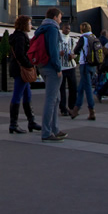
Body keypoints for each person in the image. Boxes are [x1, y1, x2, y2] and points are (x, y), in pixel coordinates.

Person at [34, 8, 66, 141]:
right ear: (54, 17)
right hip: (51, 67)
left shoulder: (42, 28)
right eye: (59, 17)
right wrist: (58, 67)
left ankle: (55, 128)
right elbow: (53, 49)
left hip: (42, 66)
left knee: (55, 98)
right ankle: (47, 132)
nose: (60, 20)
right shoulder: (52, 29)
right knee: (51, 99)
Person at [7, 15, 41, 133]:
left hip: (19, 69)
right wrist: (29, 65)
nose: (31, 26)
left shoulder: (17, 36)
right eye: (29, 23)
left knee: (27, 95)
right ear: (24, 25)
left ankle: (31, 121)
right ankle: (14, 124)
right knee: (18, 95)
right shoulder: (21, 37)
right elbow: (20, 54)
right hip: (21, 70)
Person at [69, 22, 98, 121]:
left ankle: (92, 110)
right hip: (93, 65)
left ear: (82, 30)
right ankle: (75, 110)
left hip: (84, 64)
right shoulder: (93, 36)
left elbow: (76, 50)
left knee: (88, 88)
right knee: (81, 88)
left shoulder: (83, 38)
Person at [58, 21, 78, 116]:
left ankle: (72, 107)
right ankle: (63, 108)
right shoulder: (58, 39)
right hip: (61, 67)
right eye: (66, 28)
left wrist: (73, 56)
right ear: (62, 28)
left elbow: (76, 52)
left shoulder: (72, 40)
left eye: (69, 29)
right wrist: (59, 54)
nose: (68, 30)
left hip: (70, 67)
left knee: (73, 87)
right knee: (61, 89)